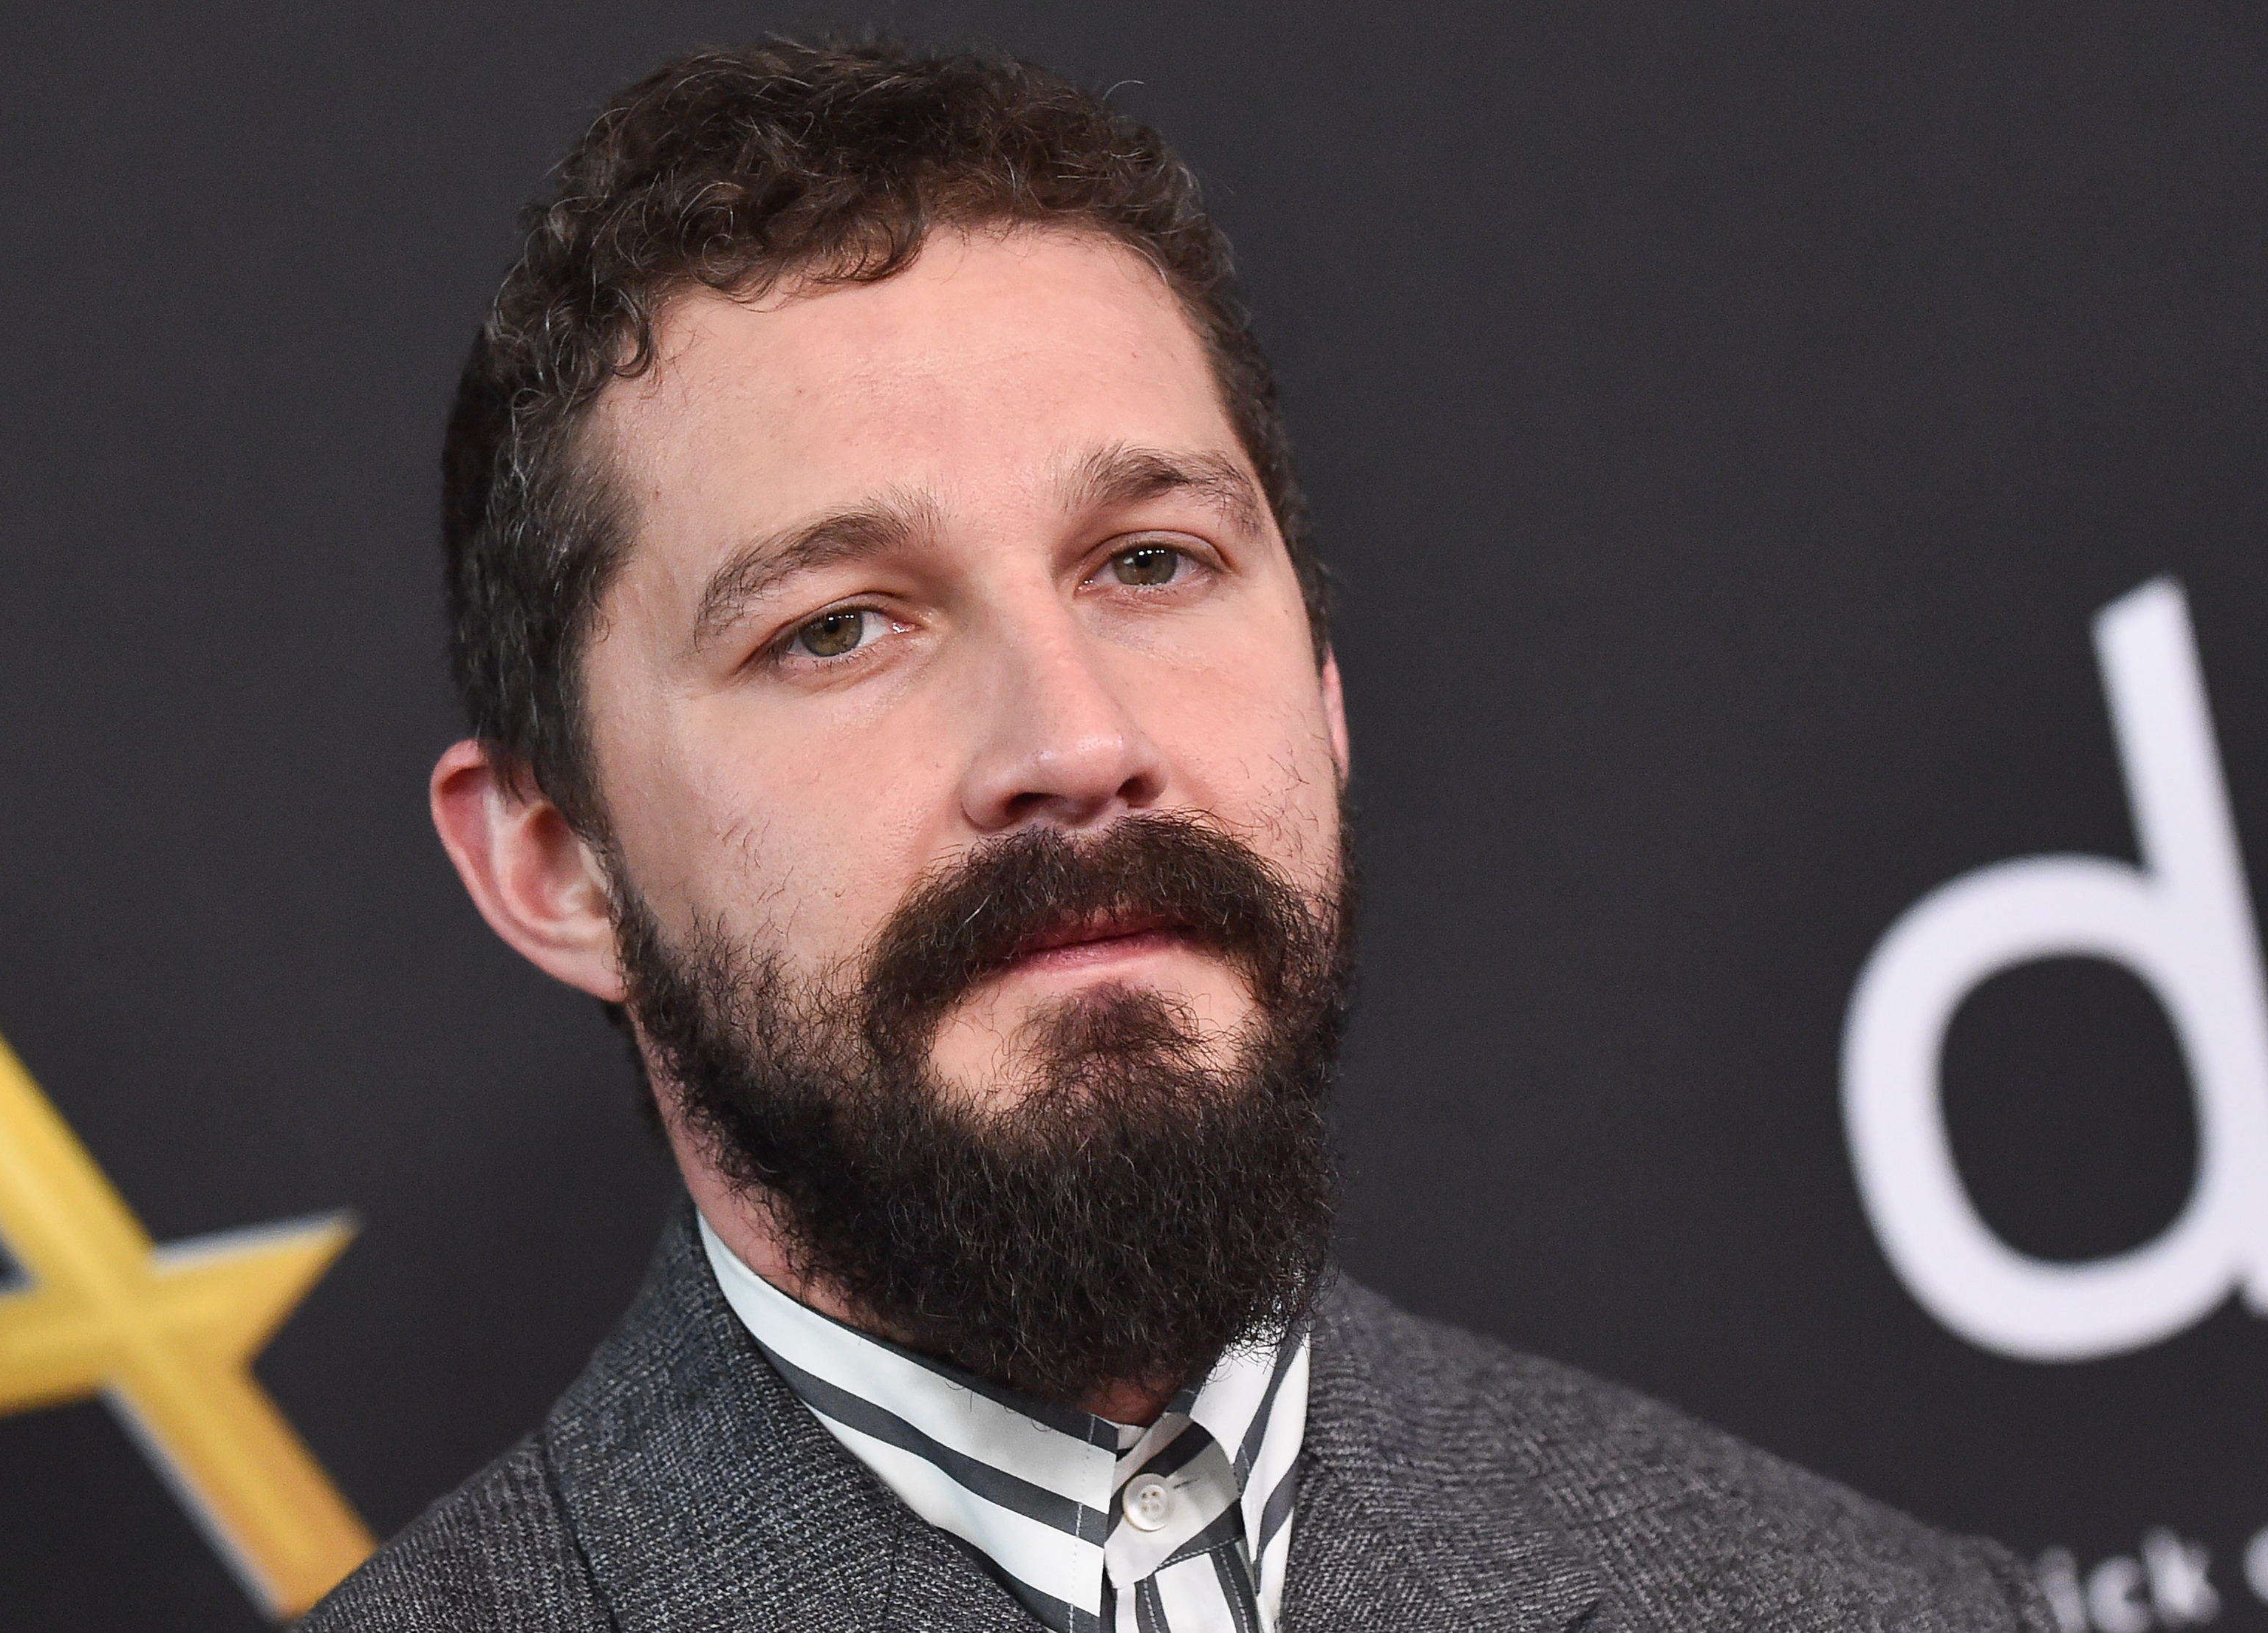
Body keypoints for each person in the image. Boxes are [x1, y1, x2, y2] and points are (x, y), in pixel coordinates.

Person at [307, 38, 2051, 1633]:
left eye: (1151, 562)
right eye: (837, 624)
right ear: (556, 862)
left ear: (1327, 689)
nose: (1078, 743)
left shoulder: (1881, 1604)